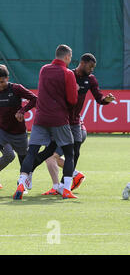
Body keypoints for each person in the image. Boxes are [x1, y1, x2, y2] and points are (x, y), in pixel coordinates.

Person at [42, 53, 115, 195]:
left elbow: (99, 97)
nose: (92, 69)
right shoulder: (68, 75)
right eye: (90, 66)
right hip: (61, 124)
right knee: (52, 156)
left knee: (57, 156)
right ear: (82, 63)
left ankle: (61, 186)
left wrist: (106, 100)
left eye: (94, 67)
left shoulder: (91, 79)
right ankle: (68, 180)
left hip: (75, 126)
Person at [13, 44, 78, 200]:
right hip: (59, 118)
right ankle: (67, 189)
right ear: (67, 57)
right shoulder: (68, 73)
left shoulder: (44, 69)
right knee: (69, 153)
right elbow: (72, 100)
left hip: (41, 118)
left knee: (32, 152)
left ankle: (22, 182)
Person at [0, 65, 37, 194]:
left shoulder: (16, 88)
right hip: (1, 130)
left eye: (2, 82)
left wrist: (22, 110)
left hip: (18, 132)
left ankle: (22, 183)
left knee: (23, 159)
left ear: (7, 78)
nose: (0, 85)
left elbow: (34, 99)